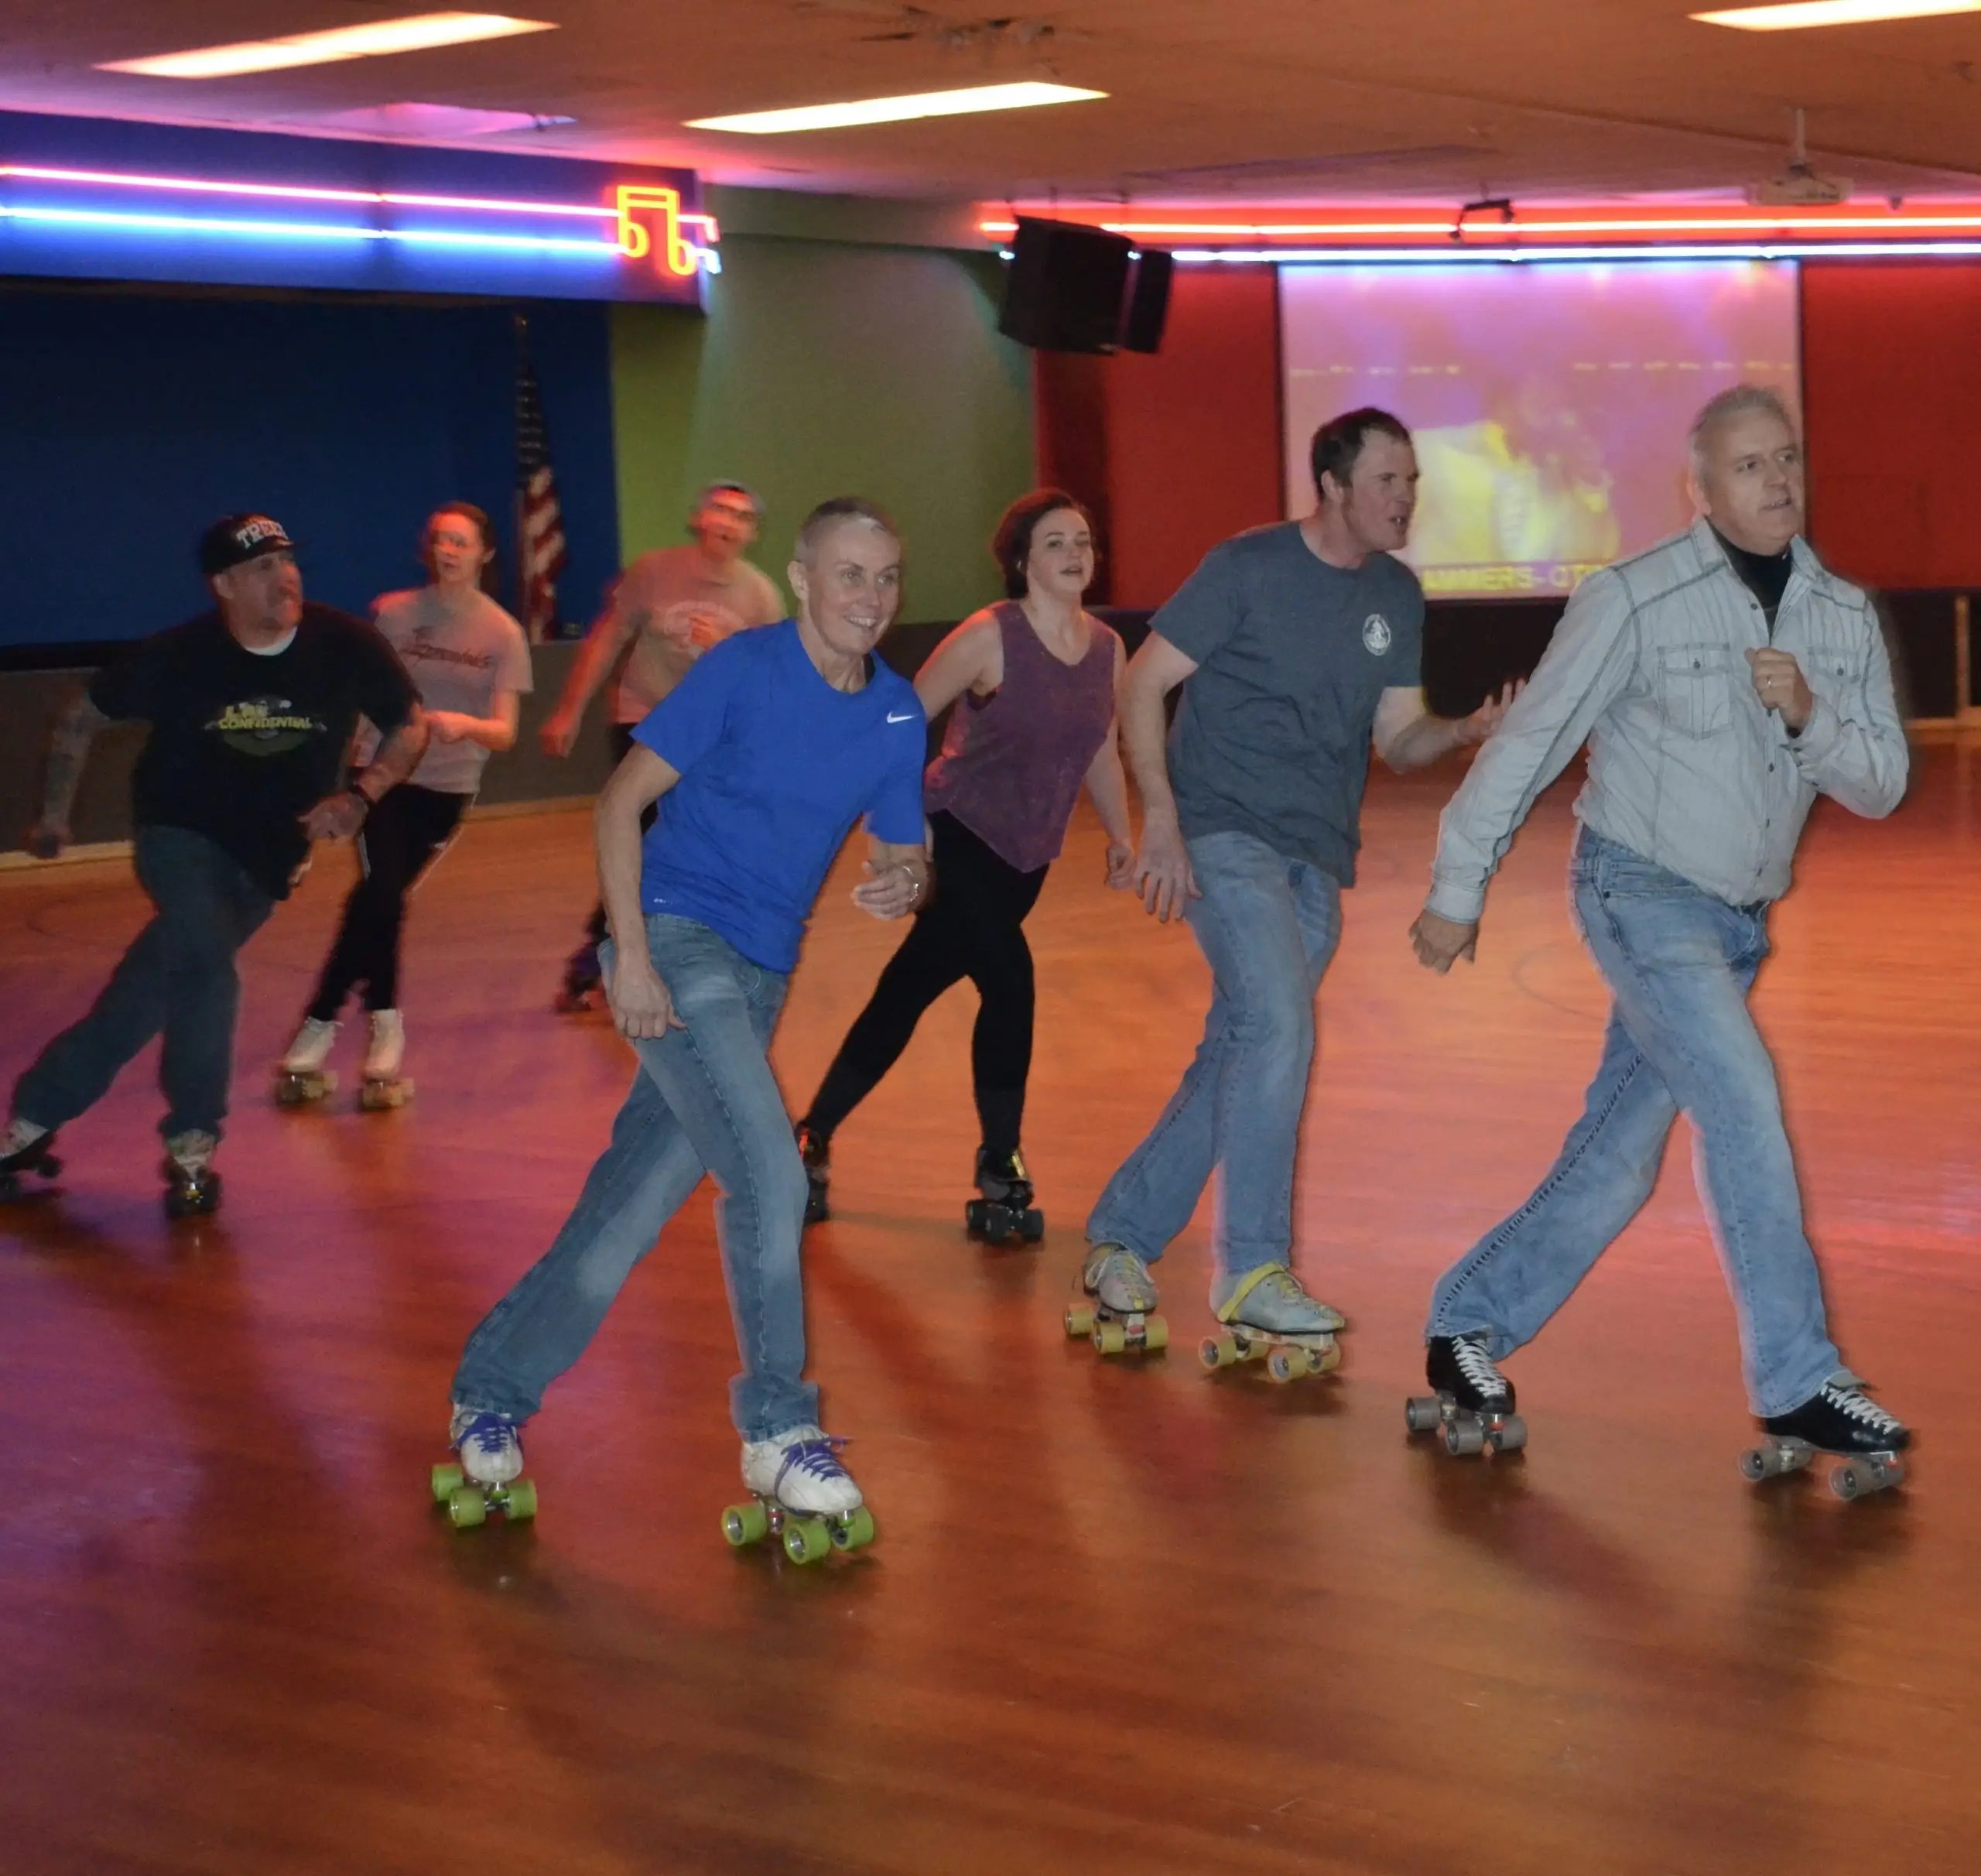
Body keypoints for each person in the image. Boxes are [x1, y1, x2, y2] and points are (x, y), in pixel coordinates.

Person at [1408, 385, 1911, 1470]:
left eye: (1787, 460)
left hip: (1735, 923)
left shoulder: (1838, 614)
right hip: (1639, 894)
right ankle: (1797, 1379)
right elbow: (1530, 742)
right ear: (1698, 487)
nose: (1778, 482)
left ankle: (1467, 1325)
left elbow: (1882, 784)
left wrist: (1813, 717)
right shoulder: (1633, 598)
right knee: (1742, 1099)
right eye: (1749, 466)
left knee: (1619, 1156)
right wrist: (1459, 887)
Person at [441, 498, 929, 1535]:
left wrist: (906, 881)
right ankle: (777, 1431)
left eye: (885, 578)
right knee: (770, 1172)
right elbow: (620, 802)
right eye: (850, 575)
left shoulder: (893, 711)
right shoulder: (745, 670)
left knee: (626, 1214)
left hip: (761, 978)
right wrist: (630, 957)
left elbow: (900, 846)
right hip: (677, 947)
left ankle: (489, 1390)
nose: (871, 599)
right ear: (801, 579)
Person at [1080, 409, 1516, 1355]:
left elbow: (1397, 737)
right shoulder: (1246, 567)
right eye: (1387, 482)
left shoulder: (1397, 595)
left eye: (1412, 483)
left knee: (1243, 1044)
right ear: (1331, 487)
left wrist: (1461, 732)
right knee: (1278, 1023)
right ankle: (1252, 1269)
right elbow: (1142, 684)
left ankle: (1121, 1234)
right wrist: (1159, 816)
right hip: (1221, 834)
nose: (1406, 500)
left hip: (1315, 854)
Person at [0, 515, 423, 1216]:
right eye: (262, 569)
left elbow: (412, 723)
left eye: (288, 563)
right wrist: (53, 813)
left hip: (267, 860)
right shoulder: (181, 655)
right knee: (205, 968)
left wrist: (361, 795)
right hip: (178, 837)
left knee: (146, 993)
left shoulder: (343, 645)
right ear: (224, 585)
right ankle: (193, 1139)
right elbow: (81, 719)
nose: (284, 577)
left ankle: (29, 1122)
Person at [794, 490, 1133, 1238]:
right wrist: (899, 826)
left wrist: (1121, 835)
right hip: (954, 837)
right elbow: (899, 724)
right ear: (1021, 560)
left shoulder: (1108, 649)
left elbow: (1102, 748)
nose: (1076, 554)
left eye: (1083, 540)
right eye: (1055, 542)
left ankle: (811, 1136)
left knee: (906, 991)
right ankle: (1001, 1161)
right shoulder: (991, 637)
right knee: (1011, 982)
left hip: (1028, 858)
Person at [275, 504, 532, 1107]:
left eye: (462, 542)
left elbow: (505, 731)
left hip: (446, 788)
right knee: (383, 890)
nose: (449, 550)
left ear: (484, 553)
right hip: (382, 777)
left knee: (379, 898)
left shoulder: (502, 632)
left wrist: (461, 723)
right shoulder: (394, 616)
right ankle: (364, 1023)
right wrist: (343, 772)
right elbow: (358, 697)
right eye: (441, 539)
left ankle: (342, 1018)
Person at [539, 481, 785, 1008]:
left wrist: (729, 652)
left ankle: (622, 956)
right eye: (720, 510)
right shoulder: (654, 571)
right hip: (643, 721)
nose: (728, 522)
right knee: (647, 837)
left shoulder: (759, 595)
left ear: (752, 533)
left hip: (711, 736)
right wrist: (570, 709)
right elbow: (607, 638)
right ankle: (604, 959)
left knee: (677, 850)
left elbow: (770, 679)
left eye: (741, 516)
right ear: (699, 518)